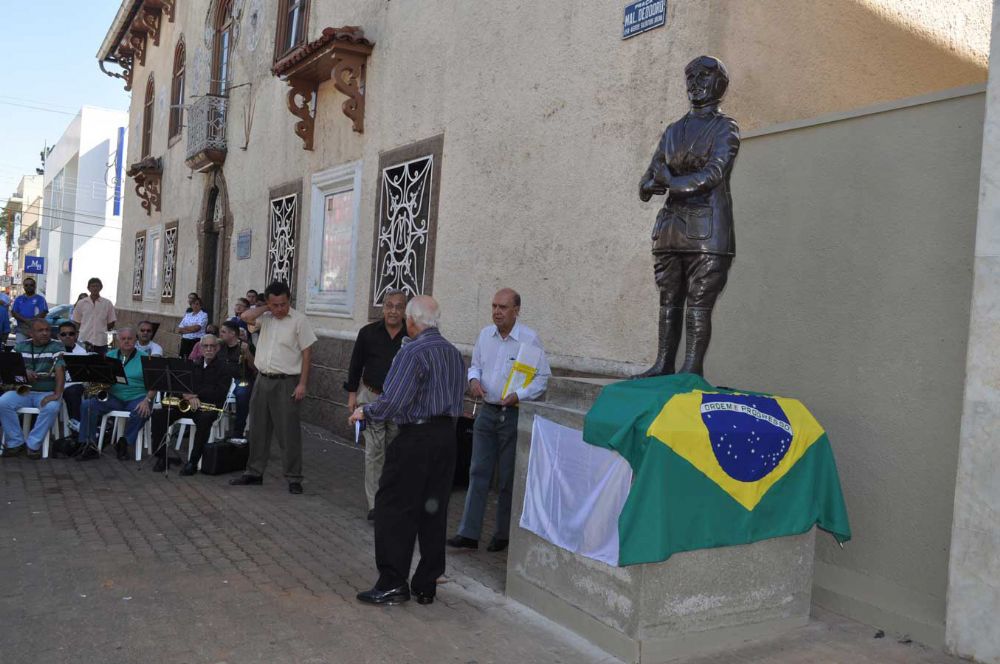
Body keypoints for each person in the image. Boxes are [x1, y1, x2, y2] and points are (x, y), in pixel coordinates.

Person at [348, 295, 465, 606]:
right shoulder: (454, 353)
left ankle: (392, 582)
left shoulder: (412, 351)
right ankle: (426, 584)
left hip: (416, 437)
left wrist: (365, 411)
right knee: (433, 510)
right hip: (446, 437)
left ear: (411, 321)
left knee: (393, 507)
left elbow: (393, 401)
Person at [635, 55, 740, 377]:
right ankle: (663, 364)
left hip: (707, 232)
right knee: (668, 300)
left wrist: (669, 181)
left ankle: (690, 370)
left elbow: (712, 174)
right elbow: (646, 182)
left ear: (719, 84)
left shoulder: (725, 128)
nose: (695, 84)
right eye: (691, 78)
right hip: (670, 231)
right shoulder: (672, 131)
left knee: (699, 302)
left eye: (703, 77)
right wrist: (655, 183)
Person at [448, 288, 551, 553]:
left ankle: (503, 534)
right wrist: (473, 380)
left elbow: (542, 378)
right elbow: (475, 365)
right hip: (486, 412)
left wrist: (520, 395)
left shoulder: (529, 339)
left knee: (507, 478)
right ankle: (469, 533)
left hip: (513, 414)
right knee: (477, 472)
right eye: (494, 306)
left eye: (503, 307)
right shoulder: (485, 335)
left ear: (516, 310)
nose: (497, 312)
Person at [230, 281, 316, 494]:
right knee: (258, 428)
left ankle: (294, 477)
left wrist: (303, 384)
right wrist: (265, 308)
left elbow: (307, 354)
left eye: (283, 304)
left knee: (288, 432)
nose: (280, 309)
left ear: (289, 300)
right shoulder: (265, 317)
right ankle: (254, 472)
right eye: (275, 304)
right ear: (268, 303)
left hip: (286, 381)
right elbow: (245, 317)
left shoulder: (299, 320)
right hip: (262, 379)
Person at [344, 289, 408, 520]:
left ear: (405, 310)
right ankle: (375, 504)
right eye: (389, 305)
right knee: (374, 451)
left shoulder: (411, 336)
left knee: (395, 451)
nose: (393, 311)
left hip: (399, 402)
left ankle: (393, 497)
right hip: (371, 398)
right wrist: (352, 395)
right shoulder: (368, 333)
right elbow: (355, 365)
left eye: (399, 306)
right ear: (383, 308)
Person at [150, 334, 234, 475]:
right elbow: (180, 385)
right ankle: (161, 457)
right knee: (159, 415)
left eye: (212, 346)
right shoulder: (193, 365)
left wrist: (195, 395)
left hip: (208, 407)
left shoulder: (224, 368)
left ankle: (193, 462)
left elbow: (219, 392)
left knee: (204, 421)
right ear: (200, 348)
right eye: (205, 346)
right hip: (187, 404)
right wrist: (186, 395)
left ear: (217, 348)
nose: (209, 349)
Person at [78, 326, 156, 460]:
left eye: (130, 338)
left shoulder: (145, 358)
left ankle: (124, 442)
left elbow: (155, 384)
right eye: (123, 339)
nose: (126, 341)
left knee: (142, 411)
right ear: (118, 340)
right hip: (114, 397)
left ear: (135, 340)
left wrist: (147, 400)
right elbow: (102, 378)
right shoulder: (110, 356)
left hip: (137, 397)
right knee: (87, 405)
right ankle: (89, 445)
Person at [0, 317, 66, 459]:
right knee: (2, 403)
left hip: (46, 392)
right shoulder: (20, 346)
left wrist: (56, 395)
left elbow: (60, 370)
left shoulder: (57, 346)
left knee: (52, 407)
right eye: (40, 330)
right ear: (31, 333)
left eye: (47, 330)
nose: (45, 333)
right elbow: (9, 368)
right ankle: (16, 442)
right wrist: (24, 373)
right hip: (24, 391)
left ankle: (33, 444)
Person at [219, 320, 254, 439]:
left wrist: (247, 352)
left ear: (232, 333)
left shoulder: (246, 345)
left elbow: (255, 367)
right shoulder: (220, 346)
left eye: (223, 332)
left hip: (241, 380)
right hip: (223, 379)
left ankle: (238, 432)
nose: (220, 334)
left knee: (243, 395)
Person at [72, 277, 116, 356]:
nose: (95, 288)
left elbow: (111, 322)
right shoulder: (81, 303)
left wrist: (101, 328)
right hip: (84, 339)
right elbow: (76, 321)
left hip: (101, 341)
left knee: (99, 362)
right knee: (82, 361)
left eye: (97, 286)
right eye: (92, 286)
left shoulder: (107, 303)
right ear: (88, 288)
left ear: (101, 288)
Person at [57, 321, 89, 427]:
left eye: (71, 334)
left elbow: (82, 377)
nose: (67, 336)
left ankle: (76, 426)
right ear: (58, 336)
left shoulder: (82, 353)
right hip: (53, 385)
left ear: (76, 335)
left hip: (73, 385)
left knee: (73, 392)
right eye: (63, 334)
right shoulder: (53, 350)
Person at [12, 277, 48, 344]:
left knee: (36, 348)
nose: (29, 287)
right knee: (20, 347)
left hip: (36, 329)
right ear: (23, 287)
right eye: (26, 285)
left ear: (35, 286)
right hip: (22, 329)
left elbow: (43, 312)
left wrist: (31, 321)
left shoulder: (40, 299)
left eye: (31, 285)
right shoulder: (19, 299)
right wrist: (26, 321)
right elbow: (14, 313)